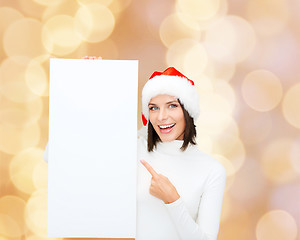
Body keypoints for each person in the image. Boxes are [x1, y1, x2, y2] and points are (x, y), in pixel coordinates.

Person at [43, 63, 226, 240]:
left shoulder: (211, 170)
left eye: (172, 105)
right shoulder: (133, 149)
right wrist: (88, 81)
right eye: (154, 107)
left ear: (188, 110)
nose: (162, 116)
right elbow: (55, 155)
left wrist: (172, 200)